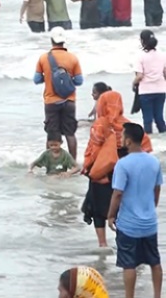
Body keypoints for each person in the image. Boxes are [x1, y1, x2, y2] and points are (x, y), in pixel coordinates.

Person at [83, 89, 152, 248]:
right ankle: (128, 241)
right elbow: (145, 147)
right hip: (125, 172)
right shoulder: (128, 125)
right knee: (124, 206)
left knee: (98, 208)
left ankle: (102, 244)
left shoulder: (100, 124)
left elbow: (93, 149)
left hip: (102, 173)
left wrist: (88, 167)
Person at [108, 122, 163, 298]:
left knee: (129, 264)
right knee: (155, 262)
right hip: (149, 223)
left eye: (123, 135)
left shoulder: (123, 164)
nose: (121, 138)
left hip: (129, 225)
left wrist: (110, 215)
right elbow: (157, 189)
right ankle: (157, 295)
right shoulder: (154, 161)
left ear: (129, 141)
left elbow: (117, 194)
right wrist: (151, 205)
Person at [34, 27, 83, 159]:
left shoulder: (44, 58)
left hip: (51, 102)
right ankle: (73, 163)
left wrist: (49, 77)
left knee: (52, 134)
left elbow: (36, 79)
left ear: (51, 41)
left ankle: (50, 163)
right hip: (69, 101)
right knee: (70, 134)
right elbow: (79, 81)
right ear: (64, 41)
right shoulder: (73, 58)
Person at [133, 30, 166, 134]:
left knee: (148, 120)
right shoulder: (162, 54)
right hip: (161, 90)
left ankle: (149, 143)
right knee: (159, 118)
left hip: (146, 91)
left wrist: (133, 83)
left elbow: (139, 76)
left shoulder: (140, 56)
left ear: (142, 41)